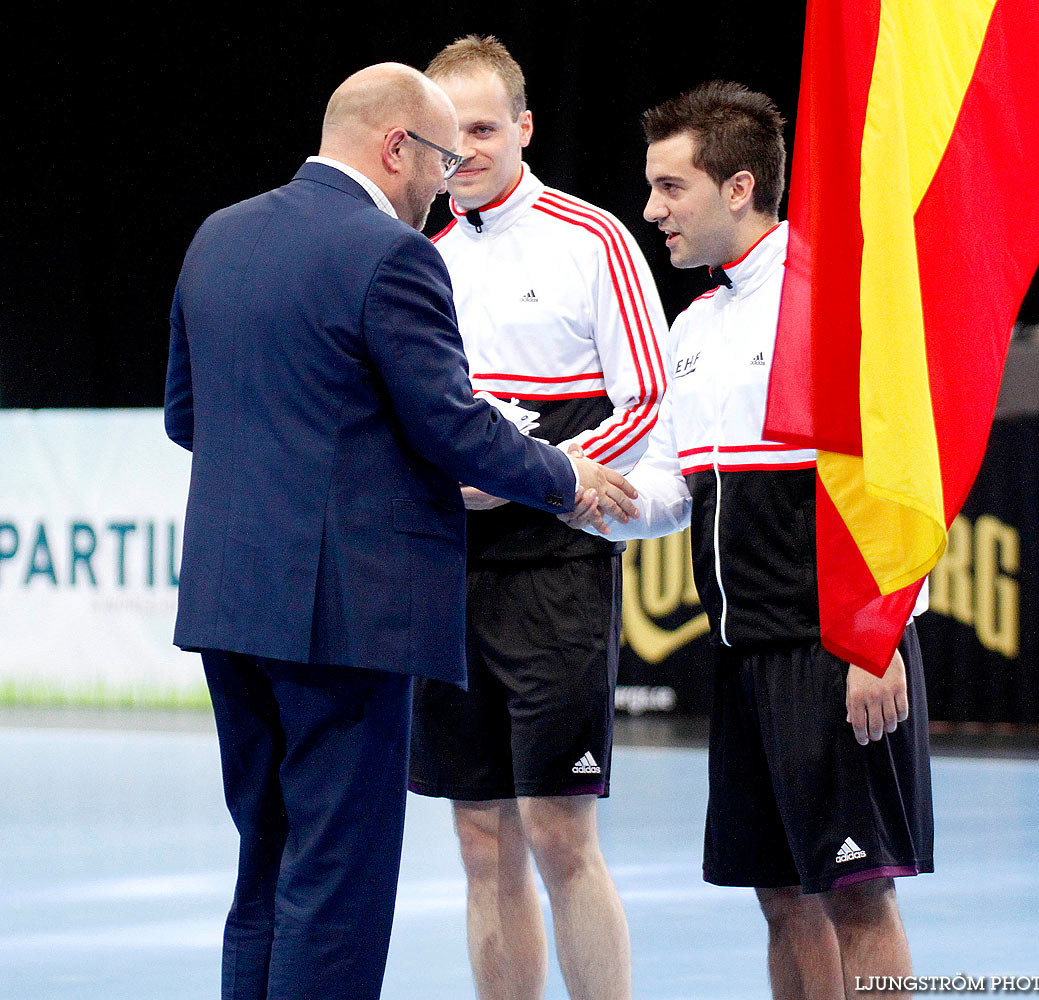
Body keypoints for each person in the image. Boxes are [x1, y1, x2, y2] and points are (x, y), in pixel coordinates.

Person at [164, 61, 637, 1000]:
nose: (440, 185)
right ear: (395, 147)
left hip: (227, 604)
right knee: (336, 883)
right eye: (438, 160)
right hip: (343, 617)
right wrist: (566, 477)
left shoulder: (218, 236)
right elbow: (450, 426)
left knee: (265, 865)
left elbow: (186, 417)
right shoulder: (392, 255)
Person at [582, 81, 934, 999]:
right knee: (779, 896)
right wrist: (569, 491)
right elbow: (668, 496)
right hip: (740, 658)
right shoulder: (691, 326)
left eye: (670, 189)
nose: (651, 210)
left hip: (836, 648)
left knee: (858, 895)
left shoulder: (838, 295)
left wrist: (882, 632)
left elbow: (905, 479)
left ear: (738, 187)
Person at [406, 35, 668, 1000]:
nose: (463, 150)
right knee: (480, 844)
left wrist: (532, 476)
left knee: (558, 832)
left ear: (522, 128)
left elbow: (646, 401)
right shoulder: (418, 256)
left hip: (554, 572)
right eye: (447, 132)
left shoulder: (591, 238)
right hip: (447, 573)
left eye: (483, 127)